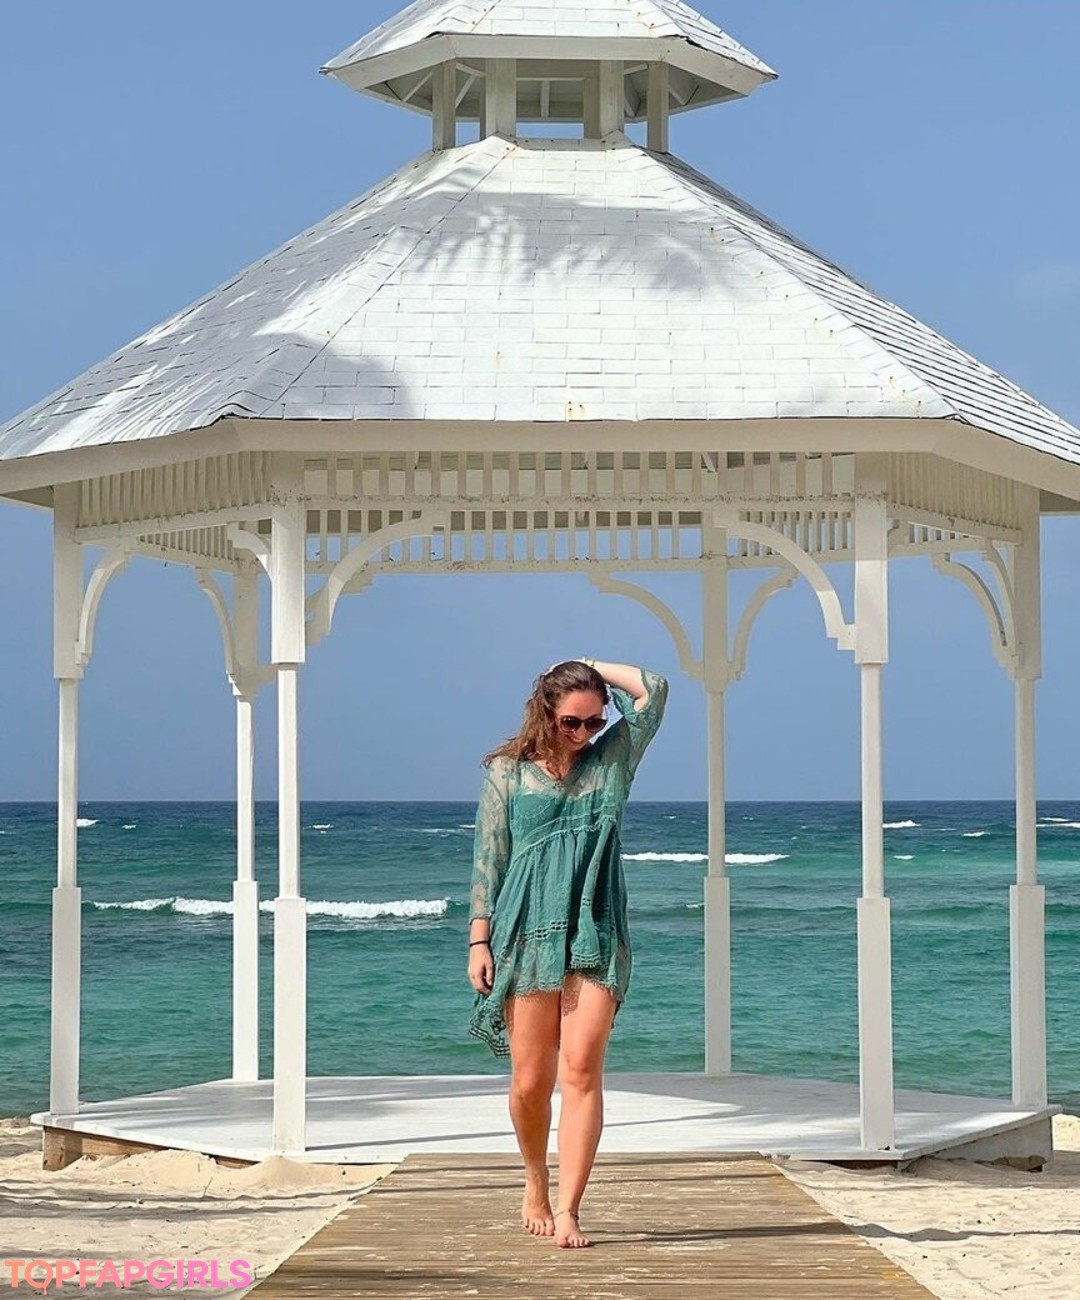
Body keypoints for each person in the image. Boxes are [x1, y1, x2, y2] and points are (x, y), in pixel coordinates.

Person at [467, 657, 668, 1249]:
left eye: (594, 721)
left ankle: (570, 1207)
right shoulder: (507, 773)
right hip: (526, 929)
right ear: (545, 713)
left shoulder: (612, 759)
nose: (583, 733)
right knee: (532, 1081)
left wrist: (589, 663)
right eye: (571, 722)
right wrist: (479, 940)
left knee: (581, 1068)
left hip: (595, 927)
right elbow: (488, 859)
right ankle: (535, 1179)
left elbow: (654, 690)